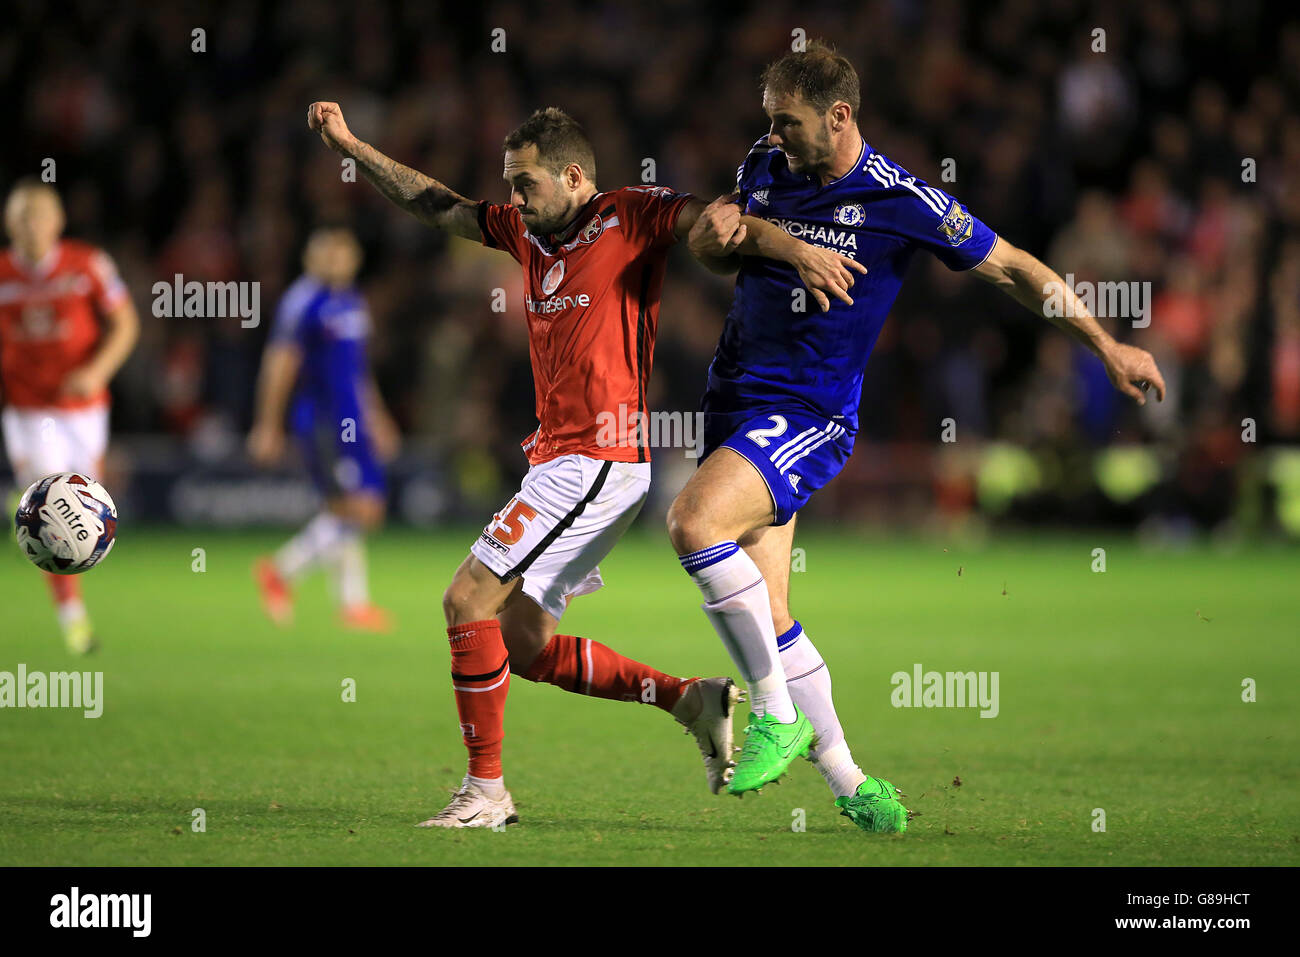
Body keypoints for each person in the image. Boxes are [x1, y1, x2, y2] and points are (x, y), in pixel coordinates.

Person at [306, 100, 861, 827]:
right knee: (524, 643)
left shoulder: (629, 215)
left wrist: (789, 248)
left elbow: (715, 223)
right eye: (509, 185)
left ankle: (486, 792)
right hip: (560, 460)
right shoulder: (525, 233)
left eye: (525, 184)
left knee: (465, 599)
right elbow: (439, 205)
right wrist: (352, 145)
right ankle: (691, 699)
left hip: (598, 458)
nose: (513, 199)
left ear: (573, 176)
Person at [671, 42, 1166, 832]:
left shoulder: (905, 200)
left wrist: (1105, 345)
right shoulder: (766, 164)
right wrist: (757, 237)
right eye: (768, 120)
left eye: (786, 121)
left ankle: (773, 712)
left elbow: (1012, 268)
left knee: (692, 524)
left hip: (805, 415)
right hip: (733, 401)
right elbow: (706, 247)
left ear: (837, 116)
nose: (773, 134)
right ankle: (850, 782)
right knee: (770, 610)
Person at [0, 179, 139, 654]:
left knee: (86, 507)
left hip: (83, 410)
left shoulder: (87, 264)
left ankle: (14, 499)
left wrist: (97, 371)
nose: (31, 226)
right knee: (52, 504)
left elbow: (126, 323)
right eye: (21, 217)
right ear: (9, 224)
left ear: (57, 222)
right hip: (28, 409)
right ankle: (74, 620)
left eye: (39, 216)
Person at [248, 226, 400, 632]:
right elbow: (281, 362)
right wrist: (267, 424)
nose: (337, 260)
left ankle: (350, 603)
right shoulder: (303, 301)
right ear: (310, 259)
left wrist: (377, 416)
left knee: (352, 509)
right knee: (358, 507)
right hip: (322, 421)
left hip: (353, 420)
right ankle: (283, 571)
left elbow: (358, 371)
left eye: (343, 253)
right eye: (328, 253)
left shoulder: (352, 303)